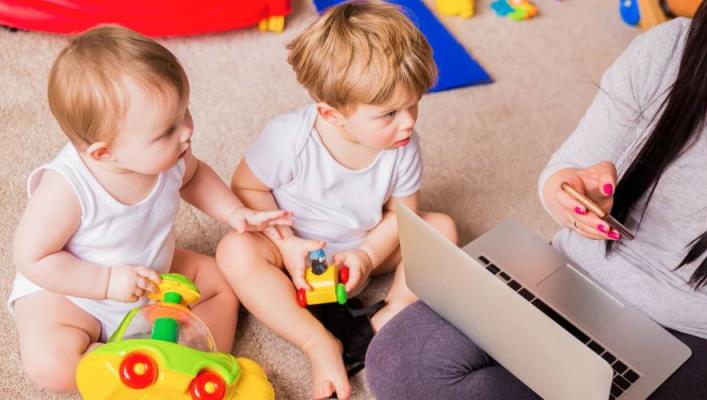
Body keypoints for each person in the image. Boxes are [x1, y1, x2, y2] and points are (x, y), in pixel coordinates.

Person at [365, 1, 707, 399]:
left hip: (693, 339)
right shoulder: (666, 53)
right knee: (398, 357)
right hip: (569, 277)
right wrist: (571, 196)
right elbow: (559, 179)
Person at [9, 25, 291, 393]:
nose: (186, 133)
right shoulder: (67, 188)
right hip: (73, 294)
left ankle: (195, 361)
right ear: (103, 153)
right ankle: (115, 364)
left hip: (153, 272)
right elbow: (33, 258)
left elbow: (193, 178)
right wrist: (106, 282)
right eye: (166, 131)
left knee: (221, 282)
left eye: (184, 114)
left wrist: (235, 213)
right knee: (50, 364)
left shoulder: (172, 154)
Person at [214, 1, 457, 399]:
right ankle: (316, 341)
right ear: (331, 115)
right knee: (234, 252)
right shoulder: (289, 138)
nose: (409, 121)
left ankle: (393, 314)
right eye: (390, 113)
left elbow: (403, 217)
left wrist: (366, 257)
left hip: (362, 244)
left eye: (414, 104)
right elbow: (246, 189)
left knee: (441, 229)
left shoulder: (404, 144)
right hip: (293, 249)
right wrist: (286, 242)